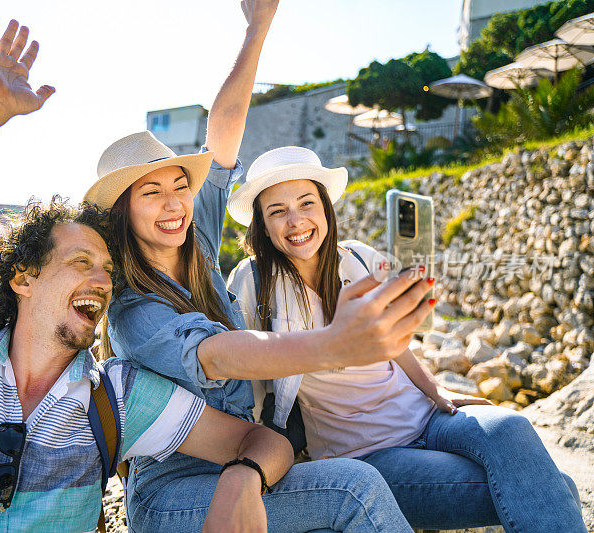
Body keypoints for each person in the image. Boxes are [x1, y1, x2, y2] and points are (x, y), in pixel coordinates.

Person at [0, 20, 296, 533]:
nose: (102, 280)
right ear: (21, 278)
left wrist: (244, 477)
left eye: (107, 269)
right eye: (79, 263)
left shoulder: (117, 400)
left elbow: (259, 440)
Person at [85, 2, 434, 531]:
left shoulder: (194, 238)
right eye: (151, 193)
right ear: (121, 214)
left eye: (181, 186)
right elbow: (220, 355)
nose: (174, 202)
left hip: (247, 455)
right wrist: (333, 345)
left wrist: (257, 28)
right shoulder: (133, 310)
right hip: (173, 491)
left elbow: (222, 133)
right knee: (355, 488)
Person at [224, 145, 587, 533]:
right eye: (277, 211)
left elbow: (394, 339)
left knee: (511, 428)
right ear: (261, 225)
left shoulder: (359, 257)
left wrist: (436, 390)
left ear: (326, 208)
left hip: (427, 417)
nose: (295, 221)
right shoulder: (252, 282)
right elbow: (236, 366)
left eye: (306, 203)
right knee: (550, 486)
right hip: (369, 453)